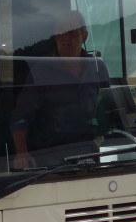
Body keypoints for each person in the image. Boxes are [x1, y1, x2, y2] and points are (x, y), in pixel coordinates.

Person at [10, 10, 110, 170]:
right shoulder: (41, 70)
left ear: (84, 36)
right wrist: (22, 153)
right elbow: (21, 118)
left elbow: (109, 110)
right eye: (60, 31)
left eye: (71, 32)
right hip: (51, 155)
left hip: (91, 153)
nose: (65, 37)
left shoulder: (98, 67)